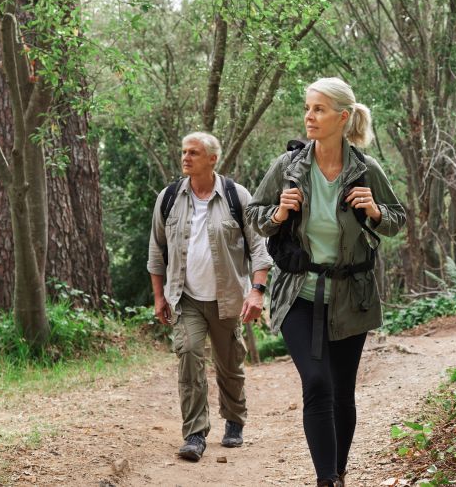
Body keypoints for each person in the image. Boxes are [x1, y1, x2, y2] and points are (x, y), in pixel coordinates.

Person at [246, 78, 406, 486]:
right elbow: (254, 215)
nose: (309, 117)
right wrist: (278, 215)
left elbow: (397, 219)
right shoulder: (289, 167)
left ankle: (337, 472)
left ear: (342, 116)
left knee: (342, 393)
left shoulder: (365, 170)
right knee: (317, 383)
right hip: (297, 294)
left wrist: (374, 210)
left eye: (318, 109)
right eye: (307, 108)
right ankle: (326, 480)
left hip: (351, 297)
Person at [147, 131, 273, 462]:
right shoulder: (170, 197)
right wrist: (159, 297)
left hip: (227, 297)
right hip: (184, 298)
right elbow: (156, 252)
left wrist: (257, 292)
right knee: (189, 354)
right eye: (183, 151)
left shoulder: (237, 196)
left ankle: (233, 421)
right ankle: (194, 433)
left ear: (212, 159)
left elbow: (260, 248)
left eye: (193, 152)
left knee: (229, 363)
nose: (185, 157)